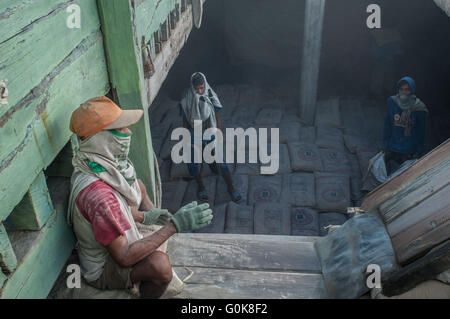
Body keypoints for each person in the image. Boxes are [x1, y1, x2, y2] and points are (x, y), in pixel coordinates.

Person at [67, 96, 213, 298]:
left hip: (114, 239)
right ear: (100, 139)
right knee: (160, 266)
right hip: (103, 268)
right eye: (120, 129)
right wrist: (174, 226)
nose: (128, 132)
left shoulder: (93, 164)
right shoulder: (99, 197)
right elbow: (124, 258)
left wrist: (147, 216)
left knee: (139, 186)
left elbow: (117, 211)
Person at [179, 72, 242, 202]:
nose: (199, 91)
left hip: (210, 131)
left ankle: (231, 188)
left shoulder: (211, 96)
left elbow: (216, 116)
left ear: (205, 85)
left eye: (202, 88)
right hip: (194, 133)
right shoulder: (187, 101)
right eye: (196, 89)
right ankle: (201, 187)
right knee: (194, 163)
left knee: (221, 161)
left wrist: (218, 132)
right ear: (192, 87)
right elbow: (185, 120)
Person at [382, 76, 428, 175]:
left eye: (407, 89)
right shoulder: (392, 102)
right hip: (393, 146)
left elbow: (421, 131)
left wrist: (419, 149)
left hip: (409, 149)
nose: (403, 92)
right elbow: (387, 124)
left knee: (403, 176)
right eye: (401, 89)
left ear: (412, 90)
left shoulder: (419, 108)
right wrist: (385, 143)